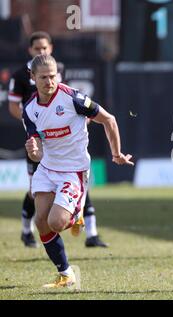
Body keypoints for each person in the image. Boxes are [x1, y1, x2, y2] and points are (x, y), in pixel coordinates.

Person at [23, 54, 133, 287]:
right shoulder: (30, 109)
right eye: (43, 77)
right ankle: (66, 274)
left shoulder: (73, 98)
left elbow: (109, 120)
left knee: (56, 222)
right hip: (47, 168)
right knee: (40, 221)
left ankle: (76, 213)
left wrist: (117, 153)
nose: (49, 82)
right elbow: (37, 150)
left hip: (73, 171)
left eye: (52, 76)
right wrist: (33, 150)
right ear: (32, 77)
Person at [8, 31, 107, 248]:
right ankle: (27, 231)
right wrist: (33, 126)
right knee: (34, 189)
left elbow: (67, 106)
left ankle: (91, 233)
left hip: (64, 147)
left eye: (45, 48)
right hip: (39, 140)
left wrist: (74, 121)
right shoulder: (19, 76)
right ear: (30, 51)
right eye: (37, 49)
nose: (41, 51)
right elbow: (14, 106)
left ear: (50, 48)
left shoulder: (57, 71)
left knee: (76, 187)